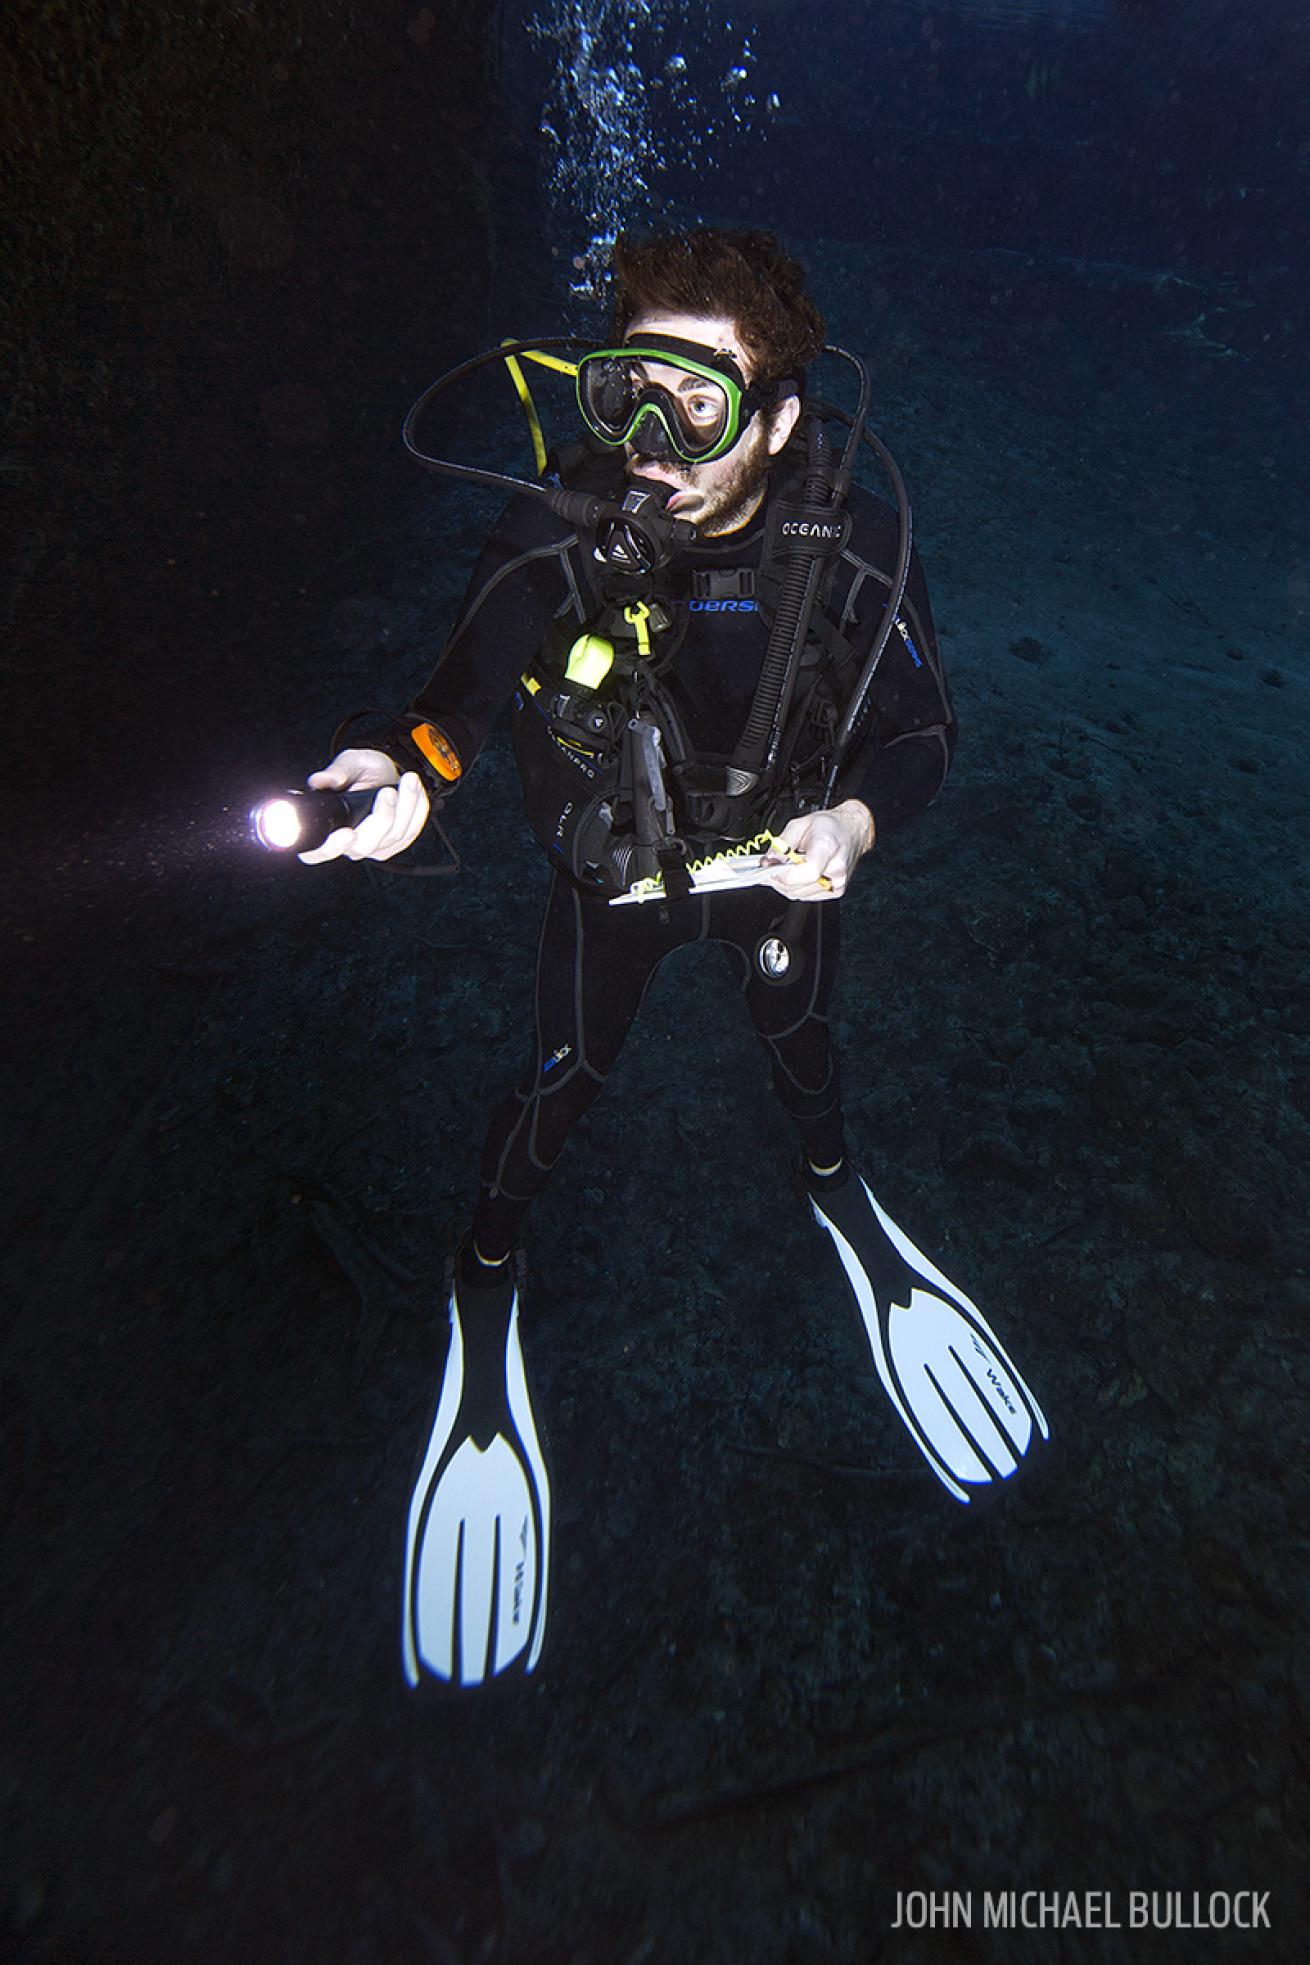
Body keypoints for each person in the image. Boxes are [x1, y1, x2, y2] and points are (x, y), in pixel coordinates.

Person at [302, 229, 1048, 1693]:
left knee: (799, 1049)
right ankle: (482, 1276)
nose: (646, 441)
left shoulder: (854, 540)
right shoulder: (556, 526)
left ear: (775, 415)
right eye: (623, 389)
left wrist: (849, 818)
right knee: (562, 1082)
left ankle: (840, 1197)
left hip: (779, 867)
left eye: (691, 405)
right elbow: (454, 696)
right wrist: (409, 770)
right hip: (614, 878)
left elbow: (920, 731)